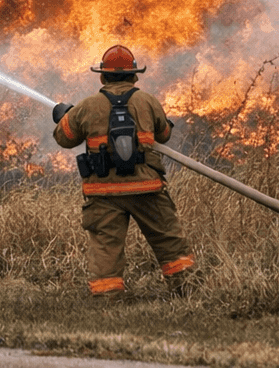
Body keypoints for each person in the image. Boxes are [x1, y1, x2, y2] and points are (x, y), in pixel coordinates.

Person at [51, 44, 195, 297]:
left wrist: (67, 115)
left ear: (102, 76)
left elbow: (65, 138)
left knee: (105, 249)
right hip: (146, 189)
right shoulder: (147, 101)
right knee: (169, 240)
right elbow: (164, 134)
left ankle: (108, 298)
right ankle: (187, 289)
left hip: (104, 192)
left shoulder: (88, 105)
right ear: (134, 75)